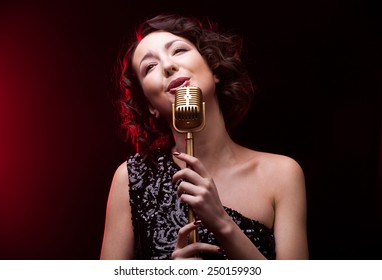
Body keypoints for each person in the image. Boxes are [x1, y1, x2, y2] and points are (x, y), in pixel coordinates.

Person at [100, 13, 308, 260]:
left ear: (214, 69)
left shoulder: (282, 174)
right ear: (150, 106)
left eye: (178, 50)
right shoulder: (131, 178)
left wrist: (222, 224)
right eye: (150, 67)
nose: (168, 66)